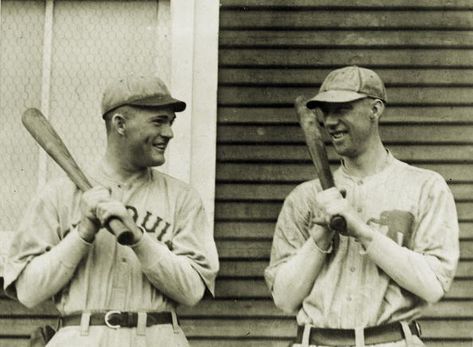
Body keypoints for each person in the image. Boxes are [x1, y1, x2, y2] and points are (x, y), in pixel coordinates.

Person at [3, 75, 219, 346]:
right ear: (120, 124)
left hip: (157, 336)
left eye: (170, 122)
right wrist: (83, 233)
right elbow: (28, 293)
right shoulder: (58, 195)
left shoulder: (182, 198)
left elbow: (192, 292)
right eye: (158, 121)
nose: (169, 133)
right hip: (82, 336)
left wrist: (139, 239)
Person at [265, 66, 459, 347]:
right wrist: (320, 238)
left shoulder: (426, 187)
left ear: (376, 109)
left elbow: (432, 286)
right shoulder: (305, 197)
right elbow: (284, 299)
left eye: (342, 108)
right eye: (325, 112)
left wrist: (362, 231)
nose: (330, 122)